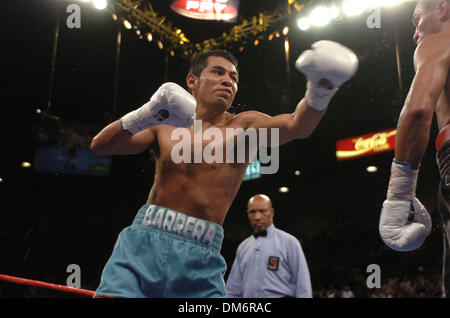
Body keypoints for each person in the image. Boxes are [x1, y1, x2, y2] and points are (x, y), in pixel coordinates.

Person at [90, 43, 358, 297]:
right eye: (217, 72)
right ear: (192, 81)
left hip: (200, 258)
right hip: (142, 246)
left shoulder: (244, 126)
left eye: (234, 77)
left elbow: (298, 126)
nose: (228, 80)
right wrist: (146, 112)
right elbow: (101, 146)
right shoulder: (163, 121)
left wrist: (320, 88)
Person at [378, 0, 450, 298]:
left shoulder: (439, 42)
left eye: (417, 19)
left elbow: (419, 111)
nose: (414, 34)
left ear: (443, 9)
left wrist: (399, 195)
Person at [225, 194, 312, 298]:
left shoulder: (290, 242)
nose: (257, 217)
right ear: (248, 214)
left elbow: (303, 285)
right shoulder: (242, 247)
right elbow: (233, 289)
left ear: (272, 212)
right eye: (253, 212)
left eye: (262, 211)